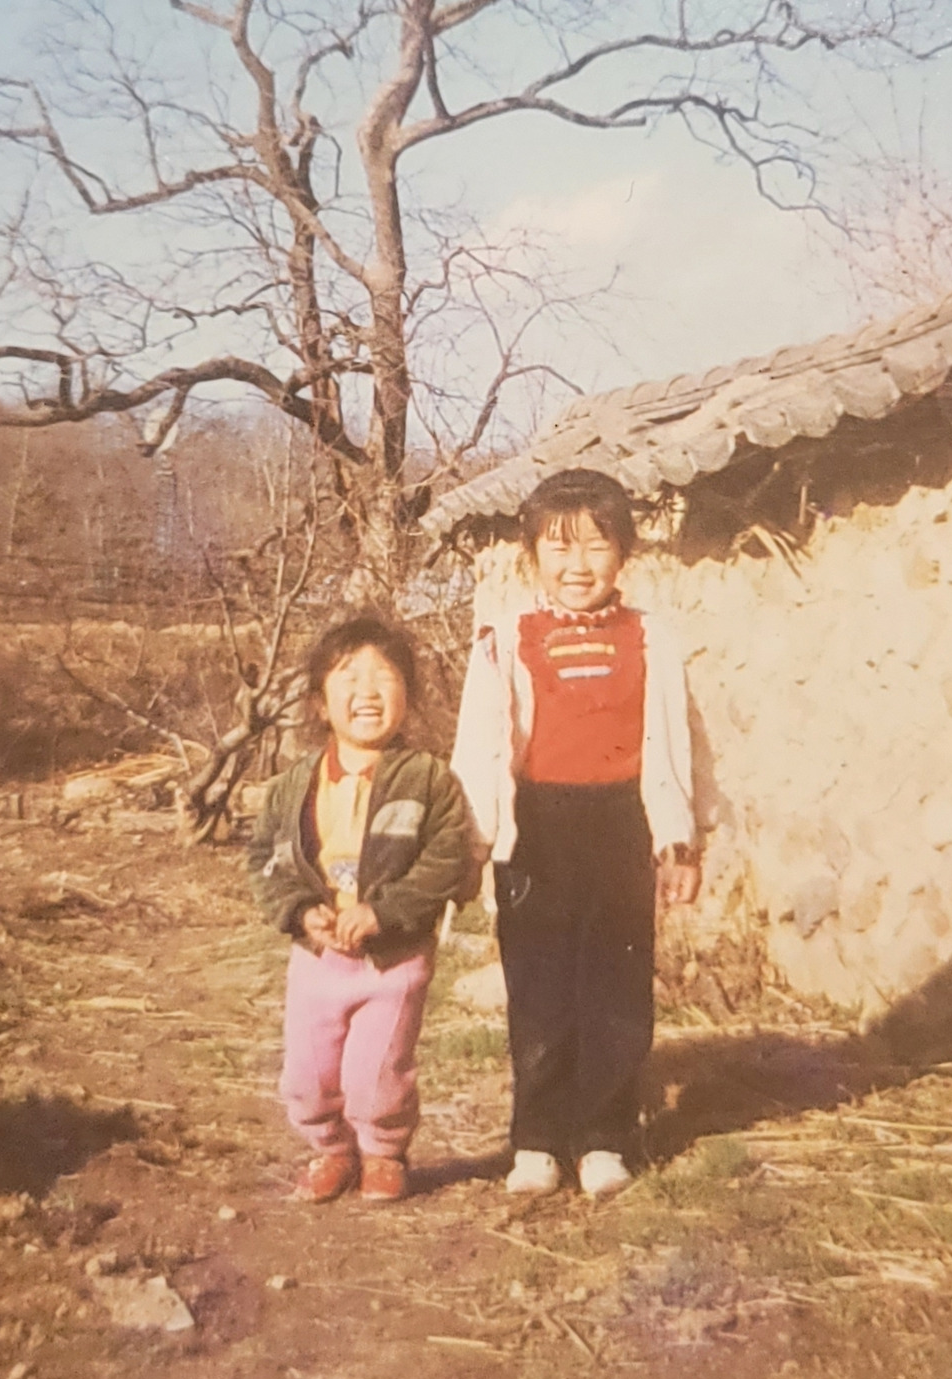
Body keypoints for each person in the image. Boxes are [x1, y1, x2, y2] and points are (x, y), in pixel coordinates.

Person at [451, 468, 701, 1199]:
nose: (578, 565)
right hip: (537, 828)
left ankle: (603, 1136)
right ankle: (536, 1138)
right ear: (532, 555)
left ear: (624, 552)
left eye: (597, 545)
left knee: (616, 988)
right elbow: (480, 746)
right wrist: (472, 841)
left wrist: (677, 841)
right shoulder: (506, 638)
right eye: (560, 548)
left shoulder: (650, 637)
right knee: (539, 987)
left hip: (620, 824)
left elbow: (675, 745)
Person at [248, 615, 474, 1204]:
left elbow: (446, 859)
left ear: (409, 695)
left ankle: (382, 1151)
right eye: (349, 677)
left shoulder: (428, 780)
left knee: (376, 1073)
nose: (367, 692)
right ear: (320, 703)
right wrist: (301, 911)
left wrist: (384, 912)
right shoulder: (293, 785)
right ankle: (332, 1150)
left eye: (384, 676)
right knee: (308, 1076)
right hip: (318, 960)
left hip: (393, 960)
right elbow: (265, 858)